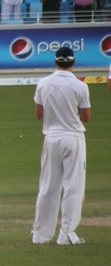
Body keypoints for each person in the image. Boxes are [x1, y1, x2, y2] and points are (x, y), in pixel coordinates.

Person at [32, 47, 91, 245]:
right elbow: (86, 117)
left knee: (48, 187)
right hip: (73, 137)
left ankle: (40, 235)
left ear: (55, 62)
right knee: (73, 187)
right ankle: (65, 235)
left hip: (51, 137)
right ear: (73, 63)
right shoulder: (80, 86)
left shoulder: (43, 83)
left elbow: (39, 114)